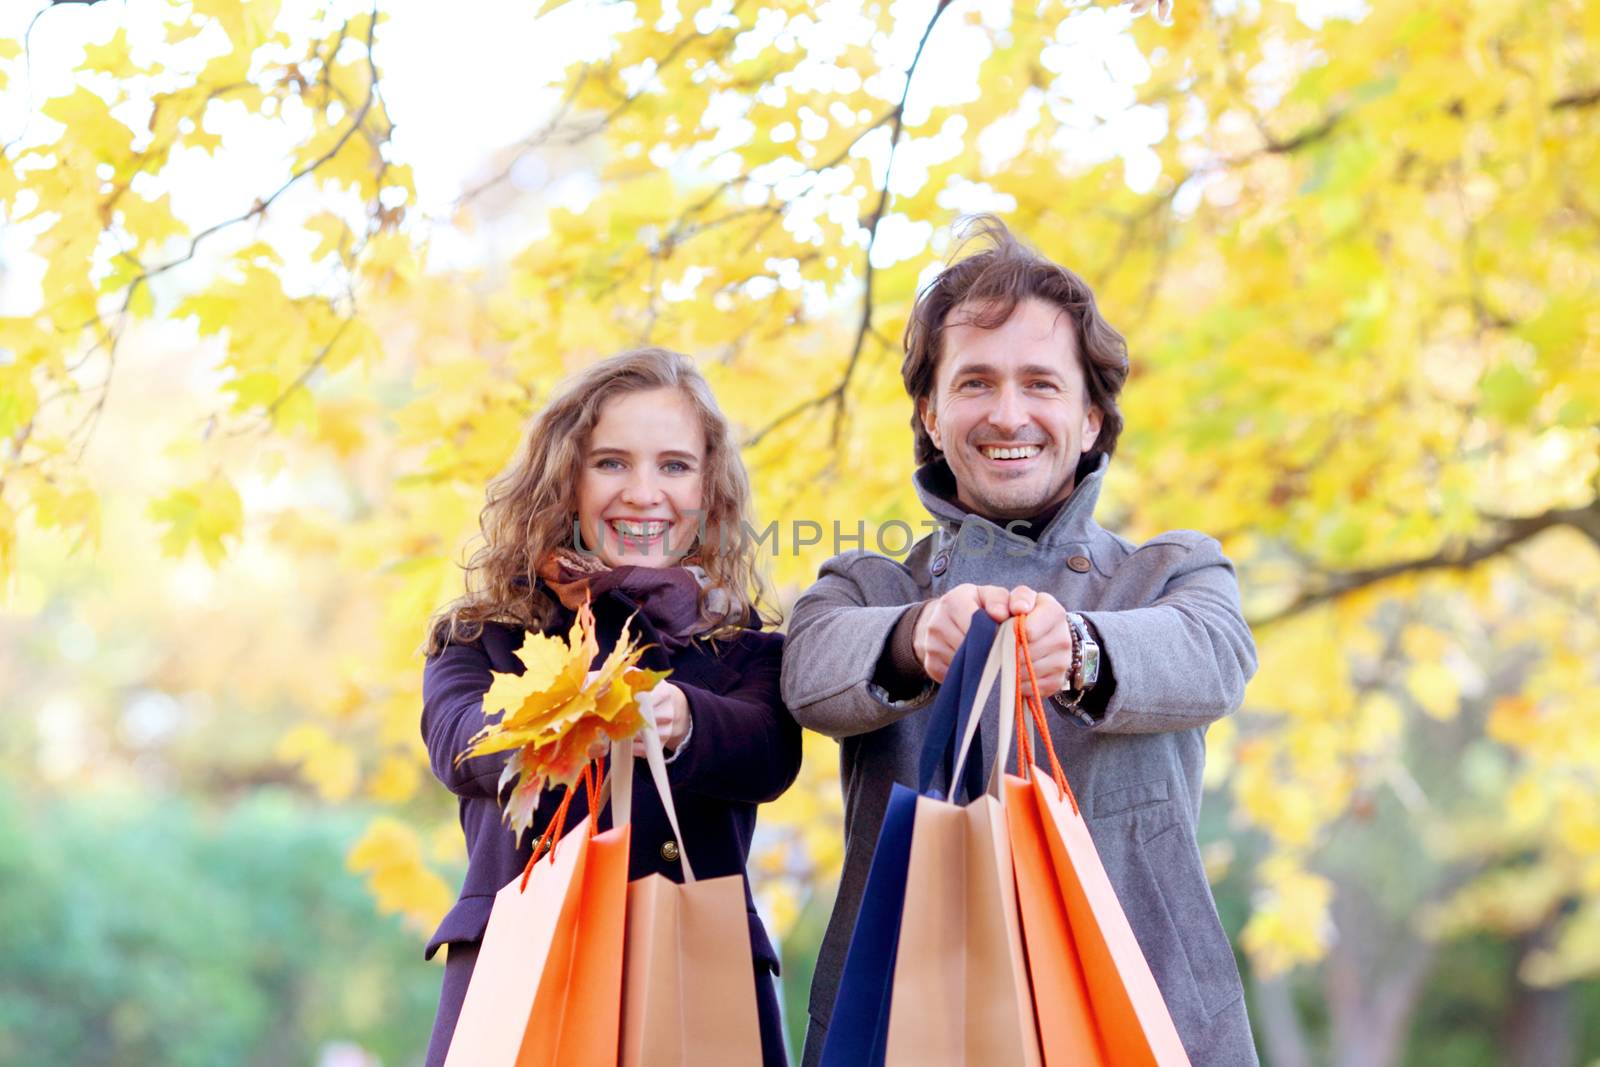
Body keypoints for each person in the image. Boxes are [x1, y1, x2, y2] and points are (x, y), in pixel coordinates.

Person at [782, 216, 1260, 1066]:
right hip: (908, 1025)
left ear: (1091, 418)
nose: (1008, 413)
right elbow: (806, 669)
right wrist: (912, 639)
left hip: (1144, 1017)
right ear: (931, 415)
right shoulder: (865, 587)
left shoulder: (1171, 572)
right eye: (975, 383)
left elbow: (1216, 655)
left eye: (1041, 383)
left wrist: (1078, 649)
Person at [420, 347, 801, 1067]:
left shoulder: (745, 646)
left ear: (709, 492)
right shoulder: (483, 634)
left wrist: (683, 715)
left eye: (675, 465)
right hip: (525, 977)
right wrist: (576, 712)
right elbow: (460, 742)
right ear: (565, 481)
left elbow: (769, 752)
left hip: (696, 985)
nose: (643, 492)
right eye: (612, 462)